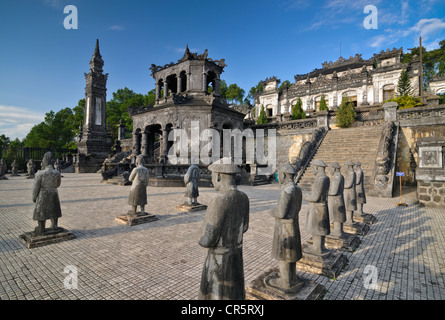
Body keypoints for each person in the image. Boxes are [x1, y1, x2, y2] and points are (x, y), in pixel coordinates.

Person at [198, 158, 249, 300]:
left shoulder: (219, 200)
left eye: (212, 176)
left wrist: (199, 233)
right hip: (236, 255)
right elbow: (244, 227)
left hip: (219, 260)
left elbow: (207, 240)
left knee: (217, 294)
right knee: (235, 293)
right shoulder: (244, 197)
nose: (212, 180)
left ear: (219, 176)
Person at [269, 162, 303, 289]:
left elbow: (281, 212)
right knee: (291, 255)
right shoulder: (298, 189)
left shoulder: (286, 191)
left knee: (283, 255)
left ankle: (285, 281)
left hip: (284, 228)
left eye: (279, 174)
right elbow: (298, 208)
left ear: (283, 175)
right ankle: (291, 277)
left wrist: (271, 211)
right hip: (293, 224)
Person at [303, 159, 330, 257]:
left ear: (317, 168)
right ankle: (319, 246)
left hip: (317, 208)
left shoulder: (320, 179)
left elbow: (315, 197)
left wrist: (304, 196)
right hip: (321, 206)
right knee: (318, 228)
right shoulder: (325, 178)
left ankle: (317, 248)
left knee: (317, 229)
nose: (311, 170)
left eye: (312, 168)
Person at [32, 152, 62, 235]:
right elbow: (58, 184)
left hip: (43, 194)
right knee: (54, 209)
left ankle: (41, 227)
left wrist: (34, 197)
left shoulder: (39, 174)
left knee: (41, 211)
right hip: (54, 193)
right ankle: (54, 225)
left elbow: (36, 187)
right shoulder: (57, 173)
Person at [328, 162, 346, 238]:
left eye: (330, 169)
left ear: (334, 168)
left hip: (336, 200)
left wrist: (325, 192)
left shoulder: (337, 177)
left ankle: (337, 232)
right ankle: (338, 231)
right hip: (338, 199)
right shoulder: (340, 176)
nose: (329, 171)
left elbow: (334, 192)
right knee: (337, 216)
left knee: (336, 217)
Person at [343, 161, 357, 225]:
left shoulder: (352, 174)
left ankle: (350, 220)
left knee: (349, 207)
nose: (344, 168)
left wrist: (341, 186)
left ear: (348, 166)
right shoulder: (349, 173)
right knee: (347, 206)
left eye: (345, 166)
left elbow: (349, 184)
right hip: (347, 192)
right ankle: (348, 219)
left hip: (350, 192)